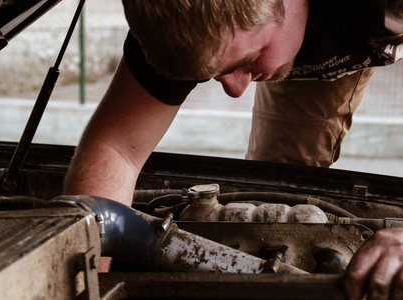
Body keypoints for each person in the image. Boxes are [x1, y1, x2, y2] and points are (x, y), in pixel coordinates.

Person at [63, 0, 403, 298]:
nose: (236, 90)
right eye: (217, 74)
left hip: (375, 14)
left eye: (249, 59)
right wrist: (86, 284)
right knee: (279, 205)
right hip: (318, 39)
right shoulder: (183, 20)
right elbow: (116, 148)